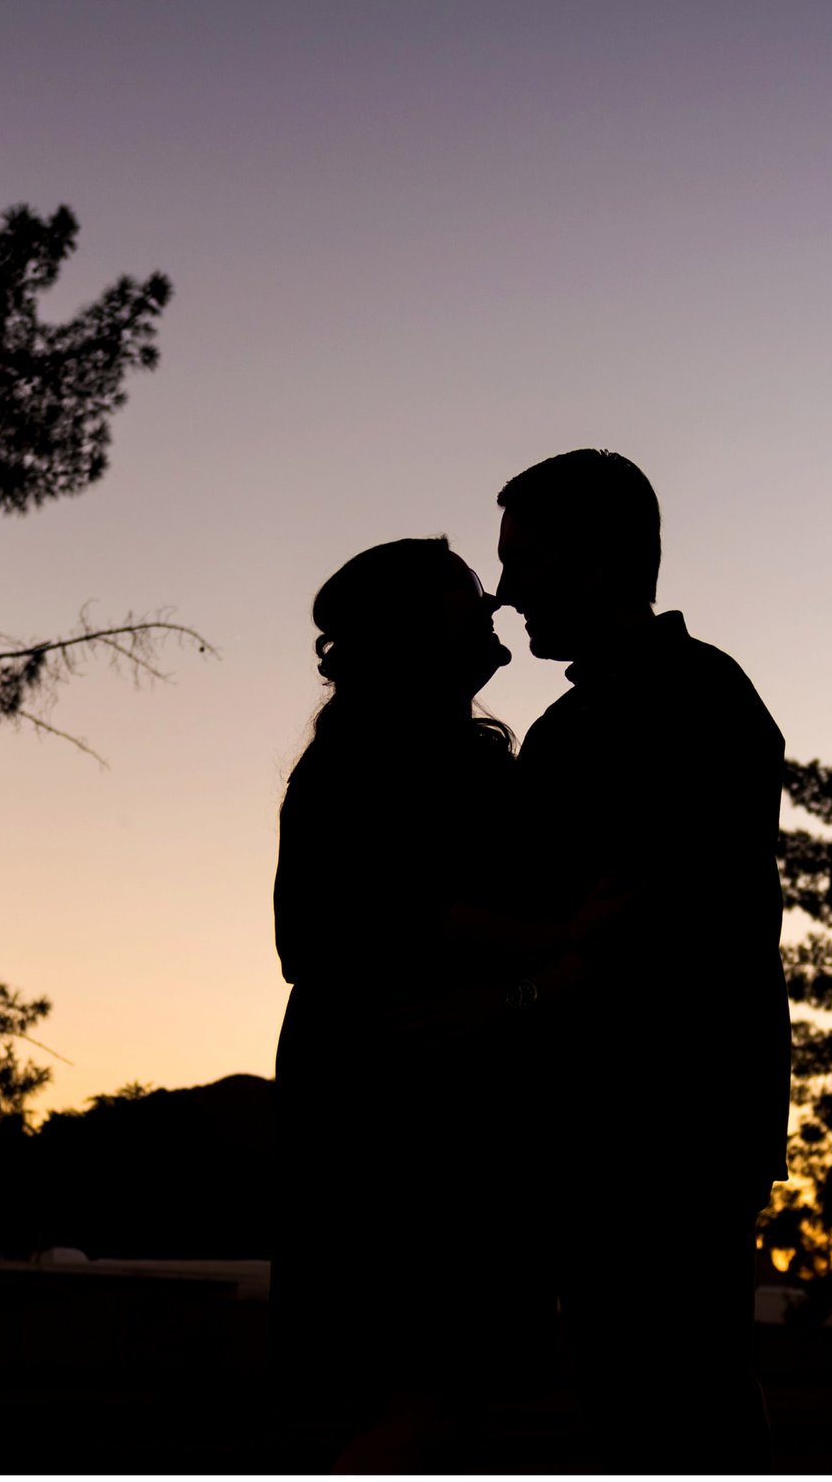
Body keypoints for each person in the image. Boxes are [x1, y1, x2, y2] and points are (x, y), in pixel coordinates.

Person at [494, 449, 791, 1472]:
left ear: (598, 565)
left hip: (676, 1117)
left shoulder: (699, 700)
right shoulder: (566, 726)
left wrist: (532, 991)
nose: (504, 590)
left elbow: (666, 922)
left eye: (522, 561)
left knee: (685, 1397)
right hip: (598, 1120)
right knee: (634, 1400)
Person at [269, 535, 567, 1470]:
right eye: (466, 592)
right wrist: (565, 941)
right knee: (426, 1394)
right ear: (413, 628)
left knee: (448, 1399)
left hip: (446, 1104)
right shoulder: (369, 760)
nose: (490, 603)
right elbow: (351, 922)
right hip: (400, 1109)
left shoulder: (440, 754)